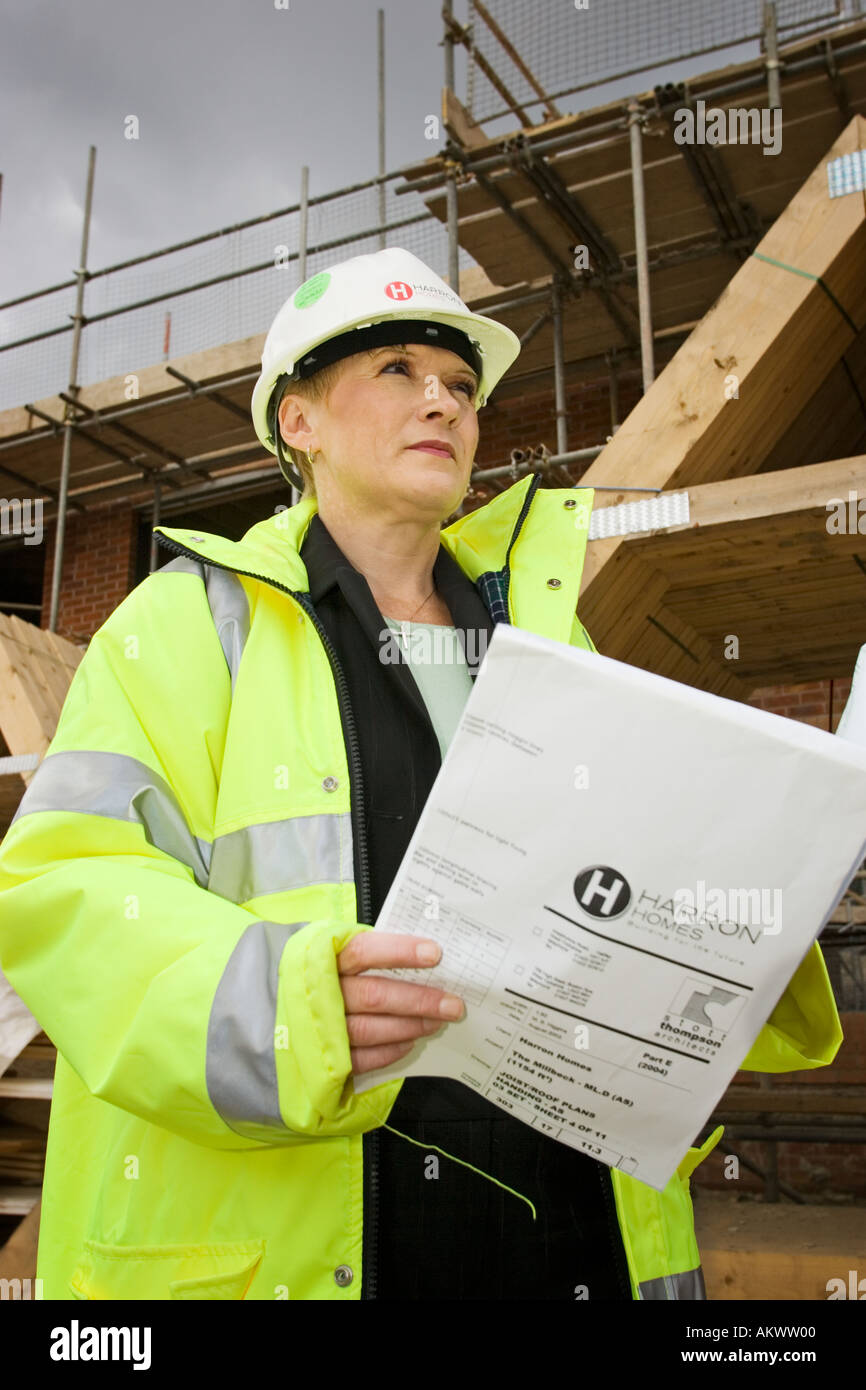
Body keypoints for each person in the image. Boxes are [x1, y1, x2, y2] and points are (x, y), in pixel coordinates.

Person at [0, 247, 842, 1301]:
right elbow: (64, 889)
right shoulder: (183, 626)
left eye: (459, 385)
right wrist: (288, 1009)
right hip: (313, 1232)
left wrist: (740, 913)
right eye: (396, 370)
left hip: (561, 1221)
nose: (441, 401)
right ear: (297, 423)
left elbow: (616, 881)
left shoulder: (543, 634)